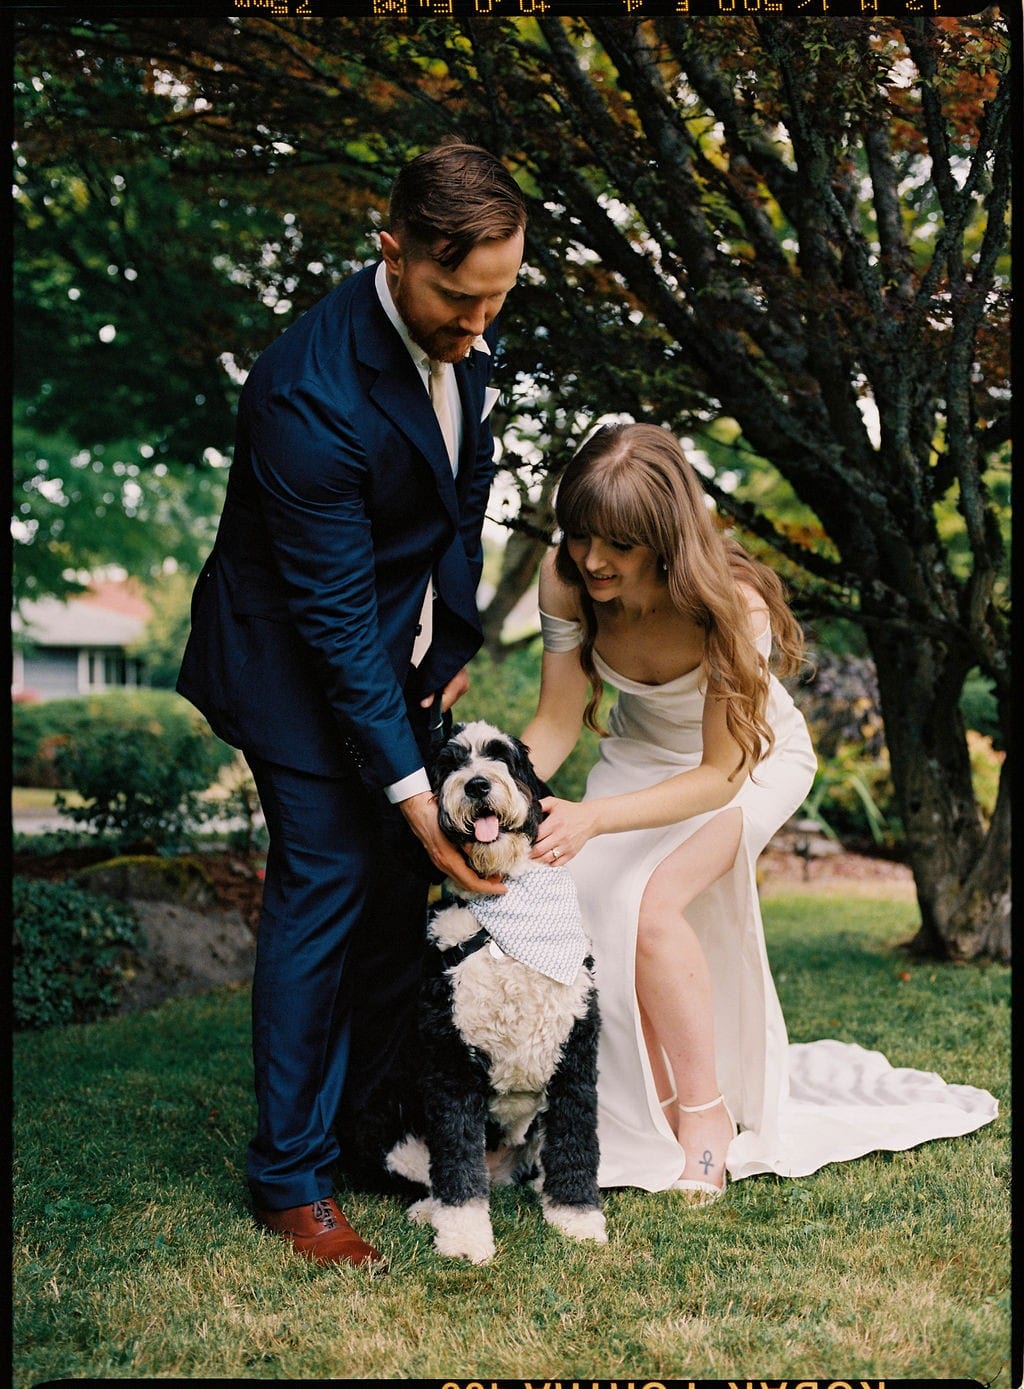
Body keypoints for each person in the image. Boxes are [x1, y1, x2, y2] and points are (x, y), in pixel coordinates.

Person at [177, 142, 527, 1266]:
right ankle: (289, 1178)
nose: (478, 327)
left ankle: (361, 1132)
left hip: (392, 650)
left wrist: (447, 637)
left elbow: (460, 500)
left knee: (390, 903)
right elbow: (327, 619)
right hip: (288, 663)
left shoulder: (464, 343)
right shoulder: (304, 389)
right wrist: (419, 796)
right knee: (328, 882)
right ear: (394, 252)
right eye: (459, 299)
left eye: (498, 299)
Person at [520, 422, 998, 1200]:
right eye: (578, 536)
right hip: (638, 758)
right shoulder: (565, 578)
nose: (593, 559)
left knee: (650, 905)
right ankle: (633, 1108)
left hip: (749, 762)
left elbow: (717, 774)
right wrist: (495, 789)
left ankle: (706, 1117)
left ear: (665, 538)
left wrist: (594, 820)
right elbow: (556, 722)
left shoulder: (729, 605)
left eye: (616, 544)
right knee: (585, 902)